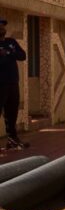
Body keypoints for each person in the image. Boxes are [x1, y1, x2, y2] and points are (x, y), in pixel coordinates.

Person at [0, 18, 28, 149]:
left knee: (12, 112)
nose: (2, 28)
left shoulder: (11, 42)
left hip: (13, 82)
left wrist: (8, 52)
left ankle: (12, 139)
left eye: (3, 26)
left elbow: (22, 55)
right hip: (0, 84)